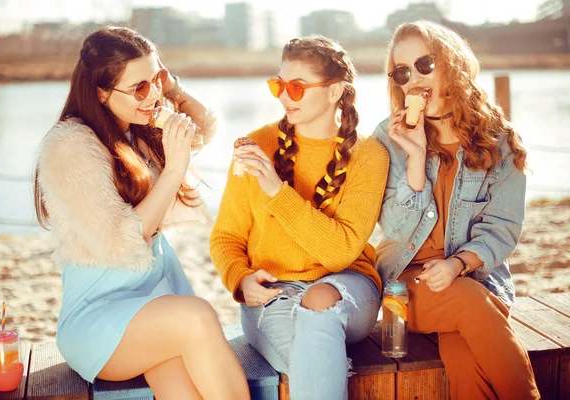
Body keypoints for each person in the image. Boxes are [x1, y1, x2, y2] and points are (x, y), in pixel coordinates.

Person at [33, 26, 250, 400]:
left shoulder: (136, 125)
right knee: (197, 317)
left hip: (155, 302)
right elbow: (122, 242)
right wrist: (174, 169)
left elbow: (201, 129)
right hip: (100, 318)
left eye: (156, 80)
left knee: (181, 381)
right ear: (101, 92)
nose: (152, 96)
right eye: (139, 88)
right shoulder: (70, 147)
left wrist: (171, 86)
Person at [209, 35, 389, 400]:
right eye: (278, 85)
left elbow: (340, 251)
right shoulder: (256, 144)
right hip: (274, 296)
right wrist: (241, 279)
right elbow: (226, 236)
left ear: (335, 90)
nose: (283, 97)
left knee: (319, 305)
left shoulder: (370, 154)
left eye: (296, 87)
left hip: (348, 287)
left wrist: (278, 190)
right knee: (316, 360)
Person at [373, 21, 540, 399]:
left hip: (473, 278)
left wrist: (457, 265)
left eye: (423, 65)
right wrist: (415, 159)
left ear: (451, 62)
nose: (412, 79)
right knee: (469, 304)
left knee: (464, 361)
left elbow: (503, 228)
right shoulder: (387, 138)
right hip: (405, 289)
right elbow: (395, 229)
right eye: (402, 72)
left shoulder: (498, 139)